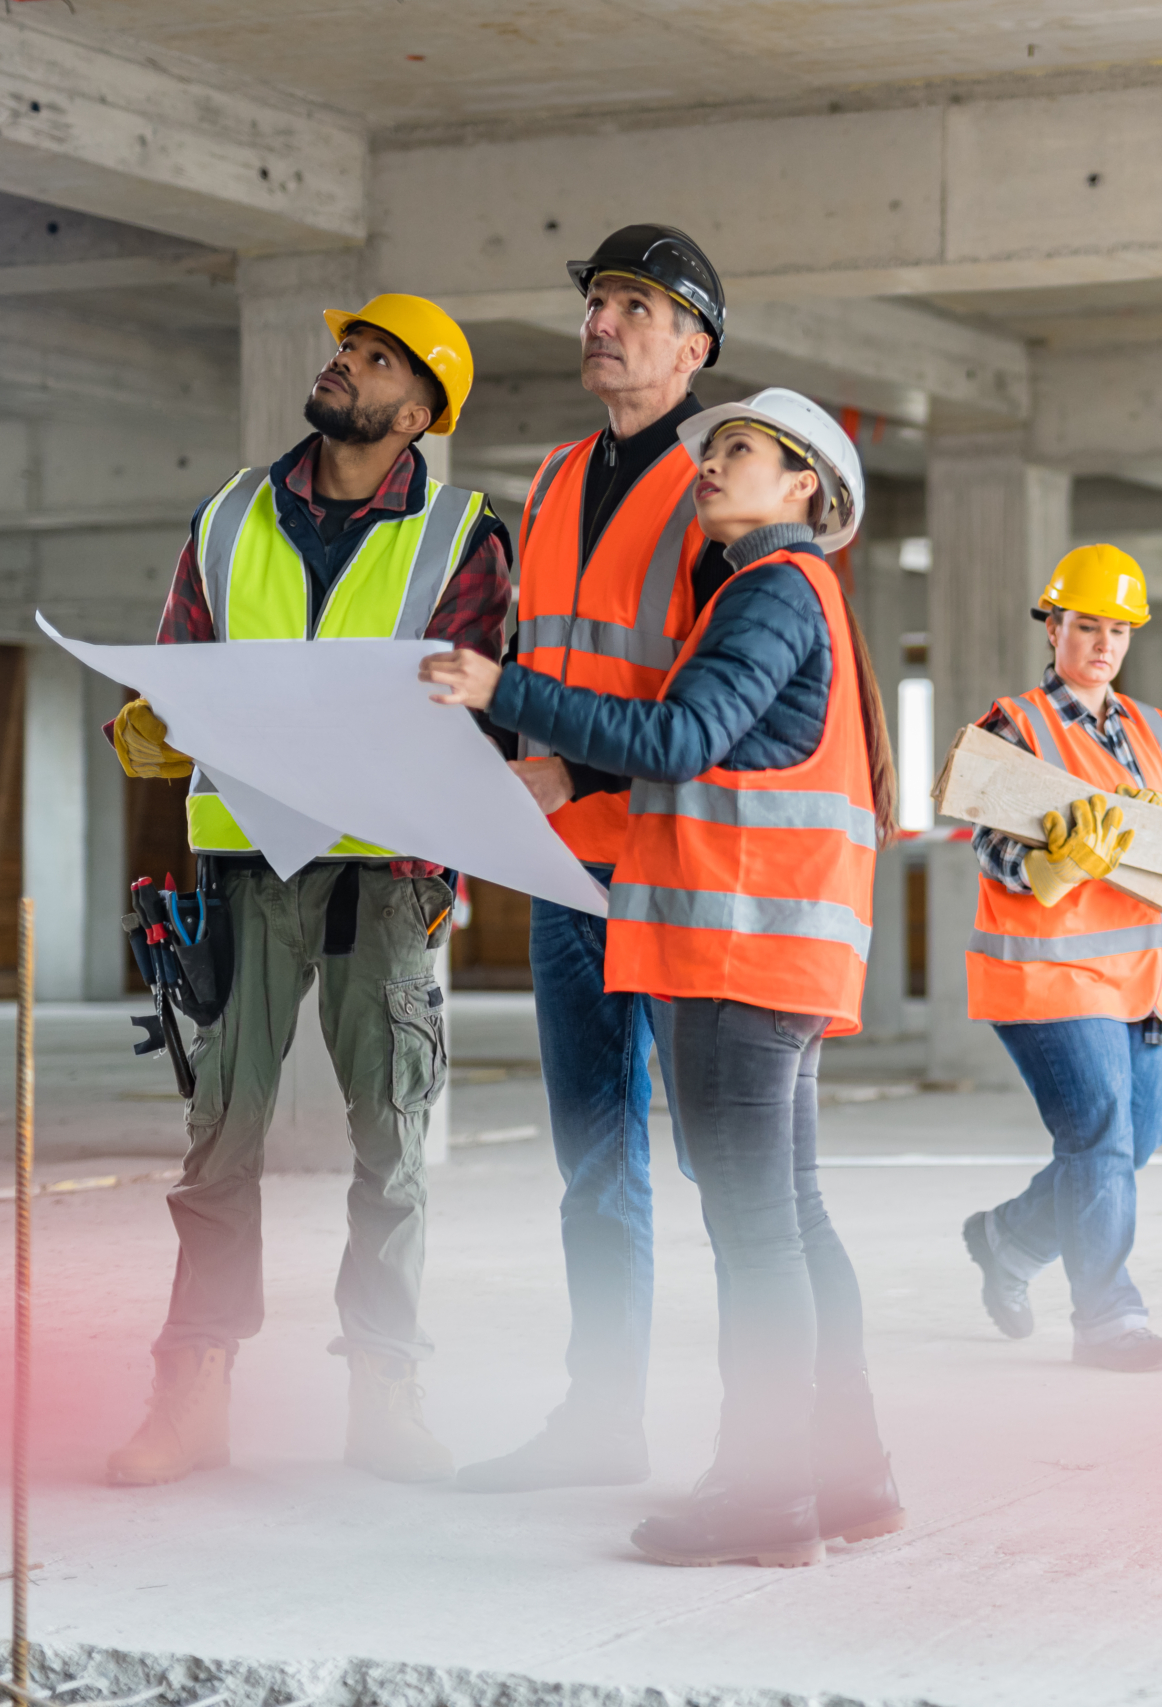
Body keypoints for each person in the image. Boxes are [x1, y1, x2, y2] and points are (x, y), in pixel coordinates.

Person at [421, 387, 900, 1569]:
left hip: (736, 957)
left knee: (757, 1239)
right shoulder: (785, 597)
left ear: (804, 489)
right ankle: (849, 1477)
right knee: (788, 1223)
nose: (708, 463)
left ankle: (766, 1494)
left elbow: (681, 739)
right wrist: (571, 785)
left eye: (737, 449)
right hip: (771, 956)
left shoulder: (773, 591)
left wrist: (505, 692)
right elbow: (704, 761)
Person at [102, 294, 512, 1486]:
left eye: (375, 357)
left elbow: (474, 700)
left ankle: (386, 1391)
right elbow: (180, 662)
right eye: (346, 347)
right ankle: (194, 1396)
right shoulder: (231, 514)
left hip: (384, 875)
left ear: (421, 408)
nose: (344, 363)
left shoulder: (461, 535)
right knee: (218, 1142)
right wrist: (153, 723)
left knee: (390, 1143)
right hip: (238, 863)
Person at [458, 225, 729, 1495]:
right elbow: (539, 662)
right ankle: (603, 1418)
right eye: (598, 301)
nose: (602, 320)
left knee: (728, 1173)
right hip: (566, 874)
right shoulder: (555, 477)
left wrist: (579, 767)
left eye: (634, 304)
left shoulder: (723, 485)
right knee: (593, 1164)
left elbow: (717, 705)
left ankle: (763, 1437)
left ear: (694, 346)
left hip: (674, 870)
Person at [957, 545, 1162, 1374]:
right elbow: (989, 841)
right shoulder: (1018, 724)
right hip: (1050, 972)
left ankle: (1006, 1238)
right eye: (1086, 626)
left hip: (1143, 977)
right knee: (1103, 1137)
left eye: (1117, 629)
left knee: (1127, 1146)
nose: (1103, 643)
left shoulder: (1154, 730)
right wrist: (1051, 864)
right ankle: (1109, 1319)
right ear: (1053, 626)